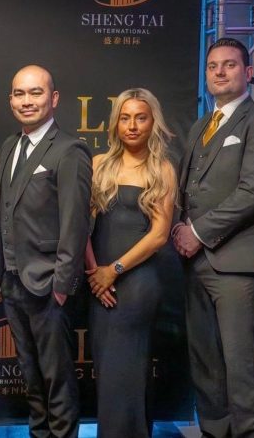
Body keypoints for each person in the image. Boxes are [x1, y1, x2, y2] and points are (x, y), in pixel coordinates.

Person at [172, 37, 254, 437]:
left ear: (249, 72)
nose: (219, 72)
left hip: (238, 263)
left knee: (242, 366)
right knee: (205, 364)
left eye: (230, 65)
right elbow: (185, 190)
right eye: (212, 66)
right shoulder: (200, 126)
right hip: (195, 263)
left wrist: (198, 232)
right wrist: (179, 227)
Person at [0, 64, 92, 438]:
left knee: (58, 382)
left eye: (35, 93)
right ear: (10, 101)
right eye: (19, 93)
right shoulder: (9, 146)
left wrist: (62, 286)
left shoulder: (70, 150)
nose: (26, 101)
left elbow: (75, 224)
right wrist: (1, 274)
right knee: (31, 380)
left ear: (54, 98)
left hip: (49, 286)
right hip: (13, 283)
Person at [84, 88, 176, 437]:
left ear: (153, 123)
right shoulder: (98, 165)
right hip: (99, 283)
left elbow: (159, 235)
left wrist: (113, 270)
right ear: (116, 123)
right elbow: (82, 226)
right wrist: (95, 274)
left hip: (137, 285)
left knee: (128, 373)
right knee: (108, 373)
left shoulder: (162, 170)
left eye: (141, 118)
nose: (132, 126)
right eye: (125, 118)